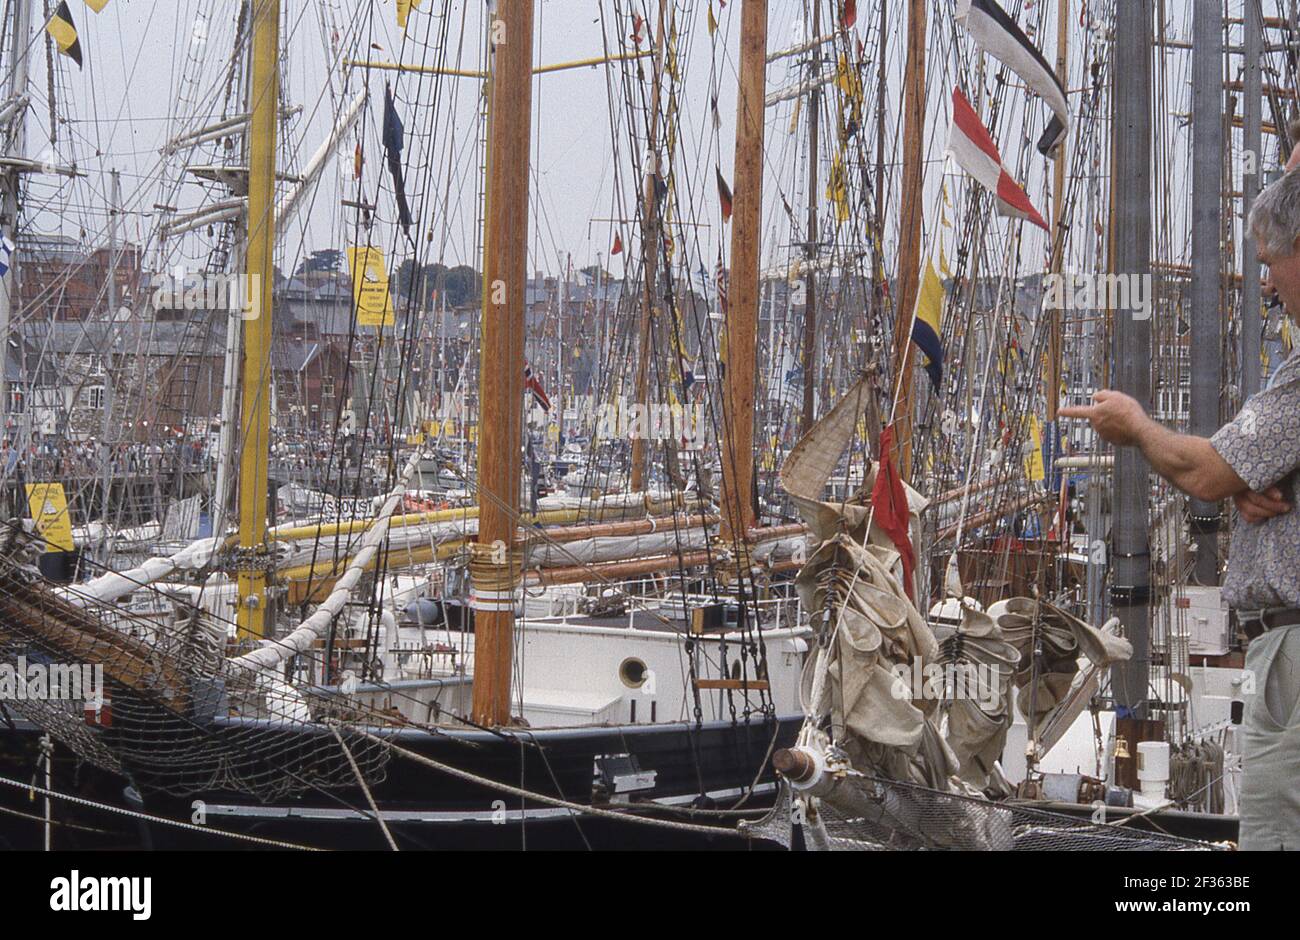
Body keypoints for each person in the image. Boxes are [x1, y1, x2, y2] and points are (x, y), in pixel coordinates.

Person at [1061, 165, 1300, 849]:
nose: (1265, 284)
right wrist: (1246, 482)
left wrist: (1136, 426)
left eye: (1268, 262)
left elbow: (1203, 471)